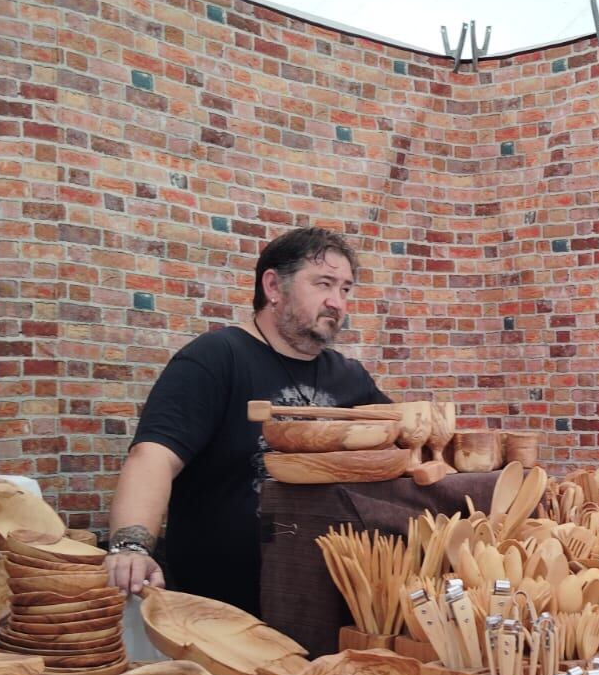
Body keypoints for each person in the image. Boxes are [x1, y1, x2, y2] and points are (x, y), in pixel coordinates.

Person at [105, 227, 391, 614]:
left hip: (324, 603)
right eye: (324, 283)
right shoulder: (216, 358)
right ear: (273, 286)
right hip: (222, 610)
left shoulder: (352, 378)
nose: (337, 302)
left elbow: (402, 443)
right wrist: (131, 547)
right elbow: (154, 456)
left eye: (345, 289)